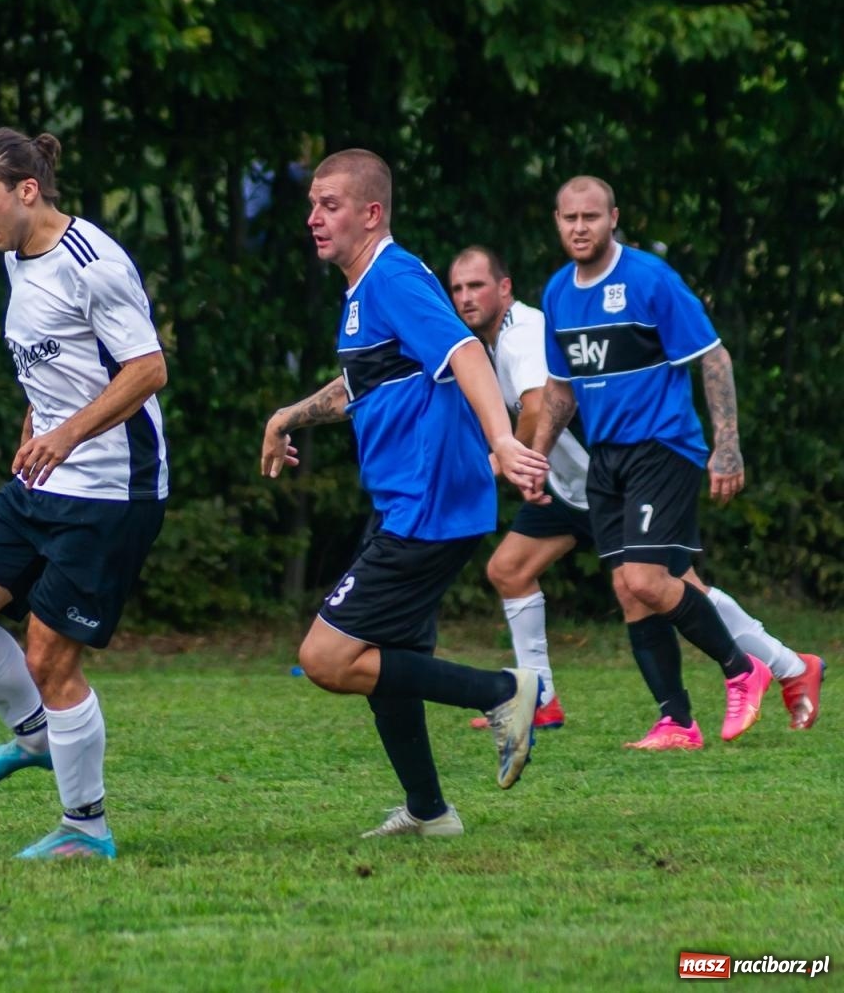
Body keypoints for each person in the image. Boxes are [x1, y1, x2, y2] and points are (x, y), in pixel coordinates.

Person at [260, 149, 548, 841]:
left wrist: (503, 439)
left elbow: (464, 353)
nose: (313, 218)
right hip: (409, 501)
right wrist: (287, 417)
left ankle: (504, 692)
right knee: (389, 663)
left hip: (429, 503)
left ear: (371, 213)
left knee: (328, 659)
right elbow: (364, 384)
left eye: (329, 205)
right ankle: (428, 810)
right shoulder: (365, 292)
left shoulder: (392, 277)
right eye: (311, 205)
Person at [447, 245, 824, 732]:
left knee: (664, 587)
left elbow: (539, 404)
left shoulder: (522, 334)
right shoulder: (491, 341)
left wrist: (505, 462)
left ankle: (783, 669)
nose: (465, 297)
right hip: (566, 486)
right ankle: (540, 698)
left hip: (610, 476)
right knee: (509, 569)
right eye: (457, 288)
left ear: (504, 287)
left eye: (475, 285)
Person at [0, 127, 169, 861]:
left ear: (27, 191)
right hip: (43, 478)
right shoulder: (15, 257)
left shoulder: (92, 263)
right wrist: (37, 421)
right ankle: (37, 739)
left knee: (49, 660)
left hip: (111, 489)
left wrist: (65, 437)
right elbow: (57, 358)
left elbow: (146, 369)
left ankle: (85, 828)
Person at [526, 176, 786, 750]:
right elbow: (560, 389)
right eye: (569, 218)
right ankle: (677, 722)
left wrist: (727, 444)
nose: (579, 228)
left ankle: (745, 670)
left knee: (648, 578)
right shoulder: (557, 293)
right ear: (557, 221)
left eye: (590, 217)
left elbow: (713, 358)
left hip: (662, 447)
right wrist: (536, 458)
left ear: (613, 217)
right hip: (607, 458)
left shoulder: (649, 278)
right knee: (626, 587)